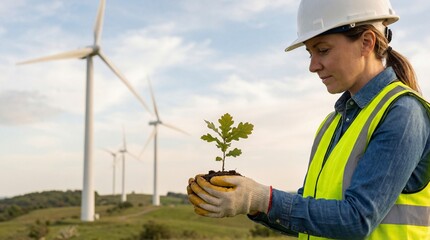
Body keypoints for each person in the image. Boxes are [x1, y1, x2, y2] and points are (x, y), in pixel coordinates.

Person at [187, 0, 430, 239]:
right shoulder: (332, 124)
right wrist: (251, 203)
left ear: (366, 42)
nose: (313, 66)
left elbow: (357, 219)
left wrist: (262, 198)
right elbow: (309, 217)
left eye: (323, 50)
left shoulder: (403, 113)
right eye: (309, 53)